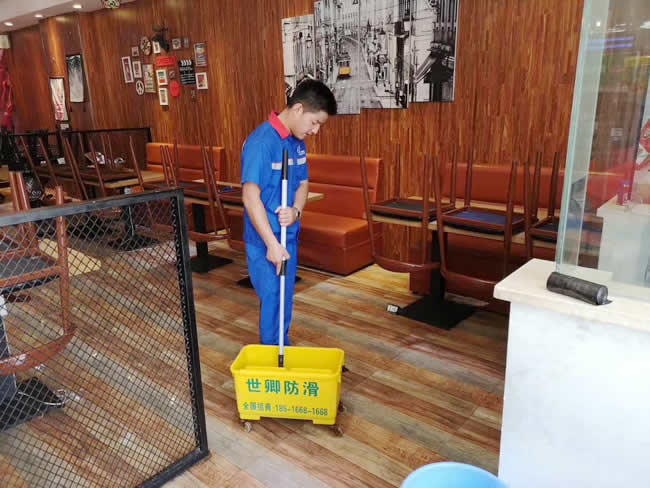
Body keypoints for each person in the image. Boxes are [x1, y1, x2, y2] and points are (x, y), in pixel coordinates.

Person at [241, 80, 337, 345]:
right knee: (273, 298)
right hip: (264, 242)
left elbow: (303, 184)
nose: (315, 131)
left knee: (285, 297)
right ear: (298, 109)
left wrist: (296, 211)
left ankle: (282, 344)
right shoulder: (261, 142)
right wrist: (272, 245)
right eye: (314, 122)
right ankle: (273, 353)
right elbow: (250, 197)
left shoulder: (297, 142)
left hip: (289, 236)